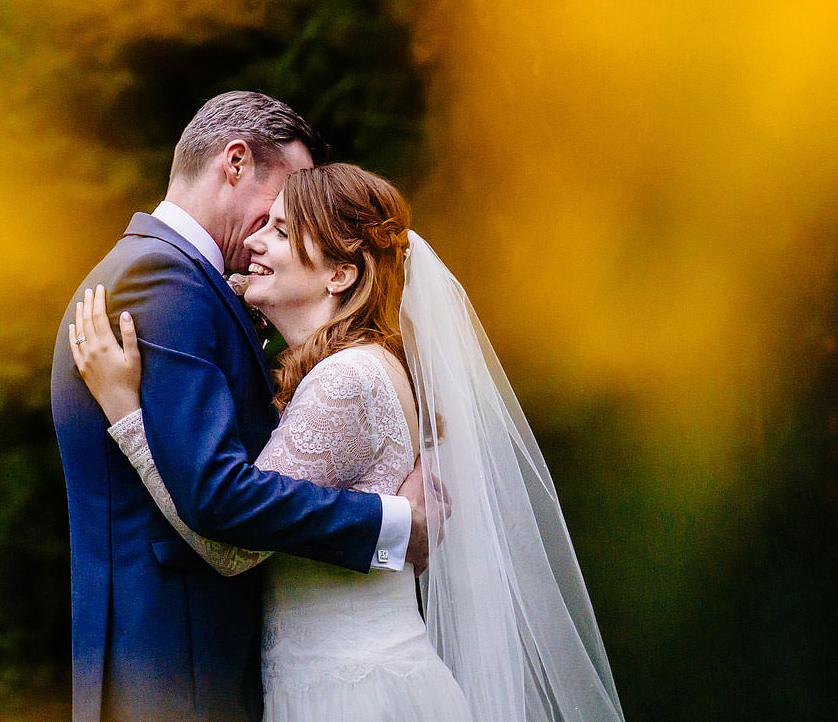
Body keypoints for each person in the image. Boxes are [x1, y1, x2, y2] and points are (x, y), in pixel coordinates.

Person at [70, 161, 627, 722]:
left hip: (350, 692)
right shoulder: (358, 366)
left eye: (283, 231)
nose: (254, 242)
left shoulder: (345, 382)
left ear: (340, 275)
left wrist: (125, 412)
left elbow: (233, 548)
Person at [51, 93, 432, 722]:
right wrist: (392, 523)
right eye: (276, 211)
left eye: (287, 228)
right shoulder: (164, 279)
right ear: (235, 162)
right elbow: (218, 498)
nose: (265, 237)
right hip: (177, 676)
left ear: (341, 272)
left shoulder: (191, 283)